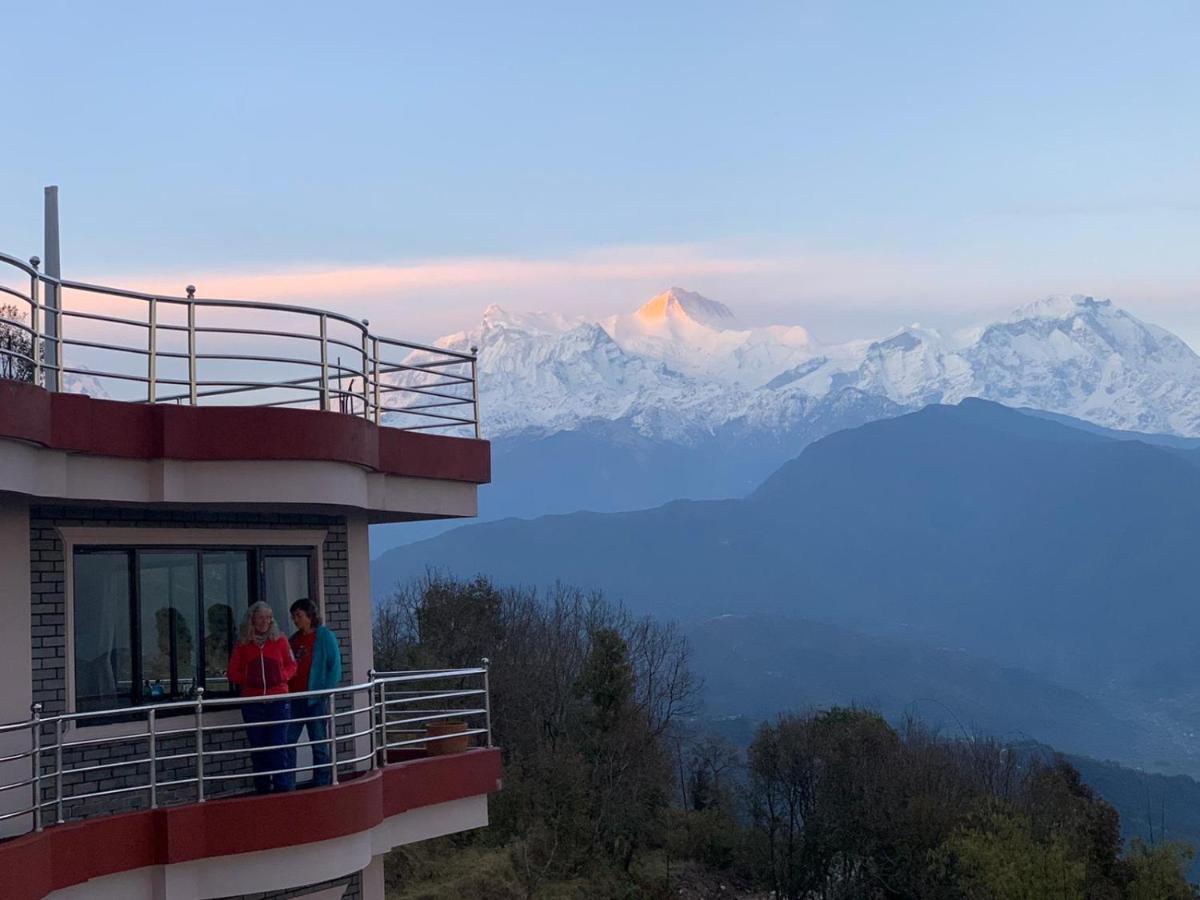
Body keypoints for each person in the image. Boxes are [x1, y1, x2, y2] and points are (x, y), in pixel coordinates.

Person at [227, 601, 297, 794]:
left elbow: (292, 665)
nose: (265, 621)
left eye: (268, 617)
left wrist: (281, 676)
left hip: (279, 700)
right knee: (259, 746)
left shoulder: (280, 641)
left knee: (278, 744)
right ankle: (263, 788)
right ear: (252, 620)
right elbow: (232, 672)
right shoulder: (243, 645)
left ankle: (282, 787)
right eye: (260, 617)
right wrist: (250, 678)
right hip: (253, 702)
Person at [285, 598, 343, 787]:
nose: (296, 620)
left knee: (319, 744)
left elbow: (334, 668)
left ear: (309, 616)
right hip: (295, 699)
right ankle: (288, 784)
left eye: (299, 615)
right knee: (287, 742)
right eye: (294, 616)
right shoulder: (293, 640)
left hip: (315, 700)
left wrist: (324, 691)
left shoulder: (324, 636)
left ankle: (321, 784)